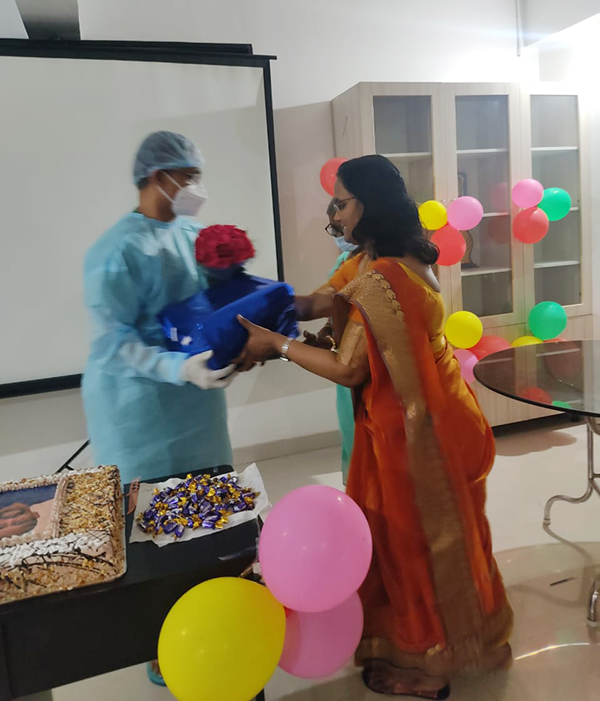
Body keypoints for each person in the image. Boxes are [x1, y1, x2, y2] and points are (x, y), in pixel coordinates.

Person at [236, 155, 513, 698]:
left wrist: (279, 345)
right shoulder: (379, 257)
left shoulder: (384, 278)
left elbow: (350, 368)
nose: (333, 214)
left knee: (415, 545)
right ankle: (472, 639)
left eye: (340, 203)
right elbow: (320, 302)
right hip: (435, 414)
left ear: (368, 203)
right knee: (449, 538)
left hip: (418, 432)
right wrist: (248, 304)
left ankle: (431, 667)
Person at [82, 131, 235, 484]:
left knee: (210, 499)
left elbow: (215, 304)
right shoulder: (115, 251)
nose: (197, 187)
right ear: (157, 177)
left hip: (198, 408)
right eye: (189, 177)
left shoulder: (195, 235)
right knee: (147, 508)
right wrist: (178, 368)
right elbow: (112, 342)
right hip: (138, 412)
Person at [303, 200, 358, 484]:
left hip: (370, 372)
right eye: (333, 229)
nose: (339, 235)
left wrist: (279, 343)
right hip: (345, 369)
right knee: (351, 434)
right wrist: (328, 335)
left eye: (341, 226)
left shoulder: (385, 265)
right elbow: (333, 312)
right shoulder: (343, 262)